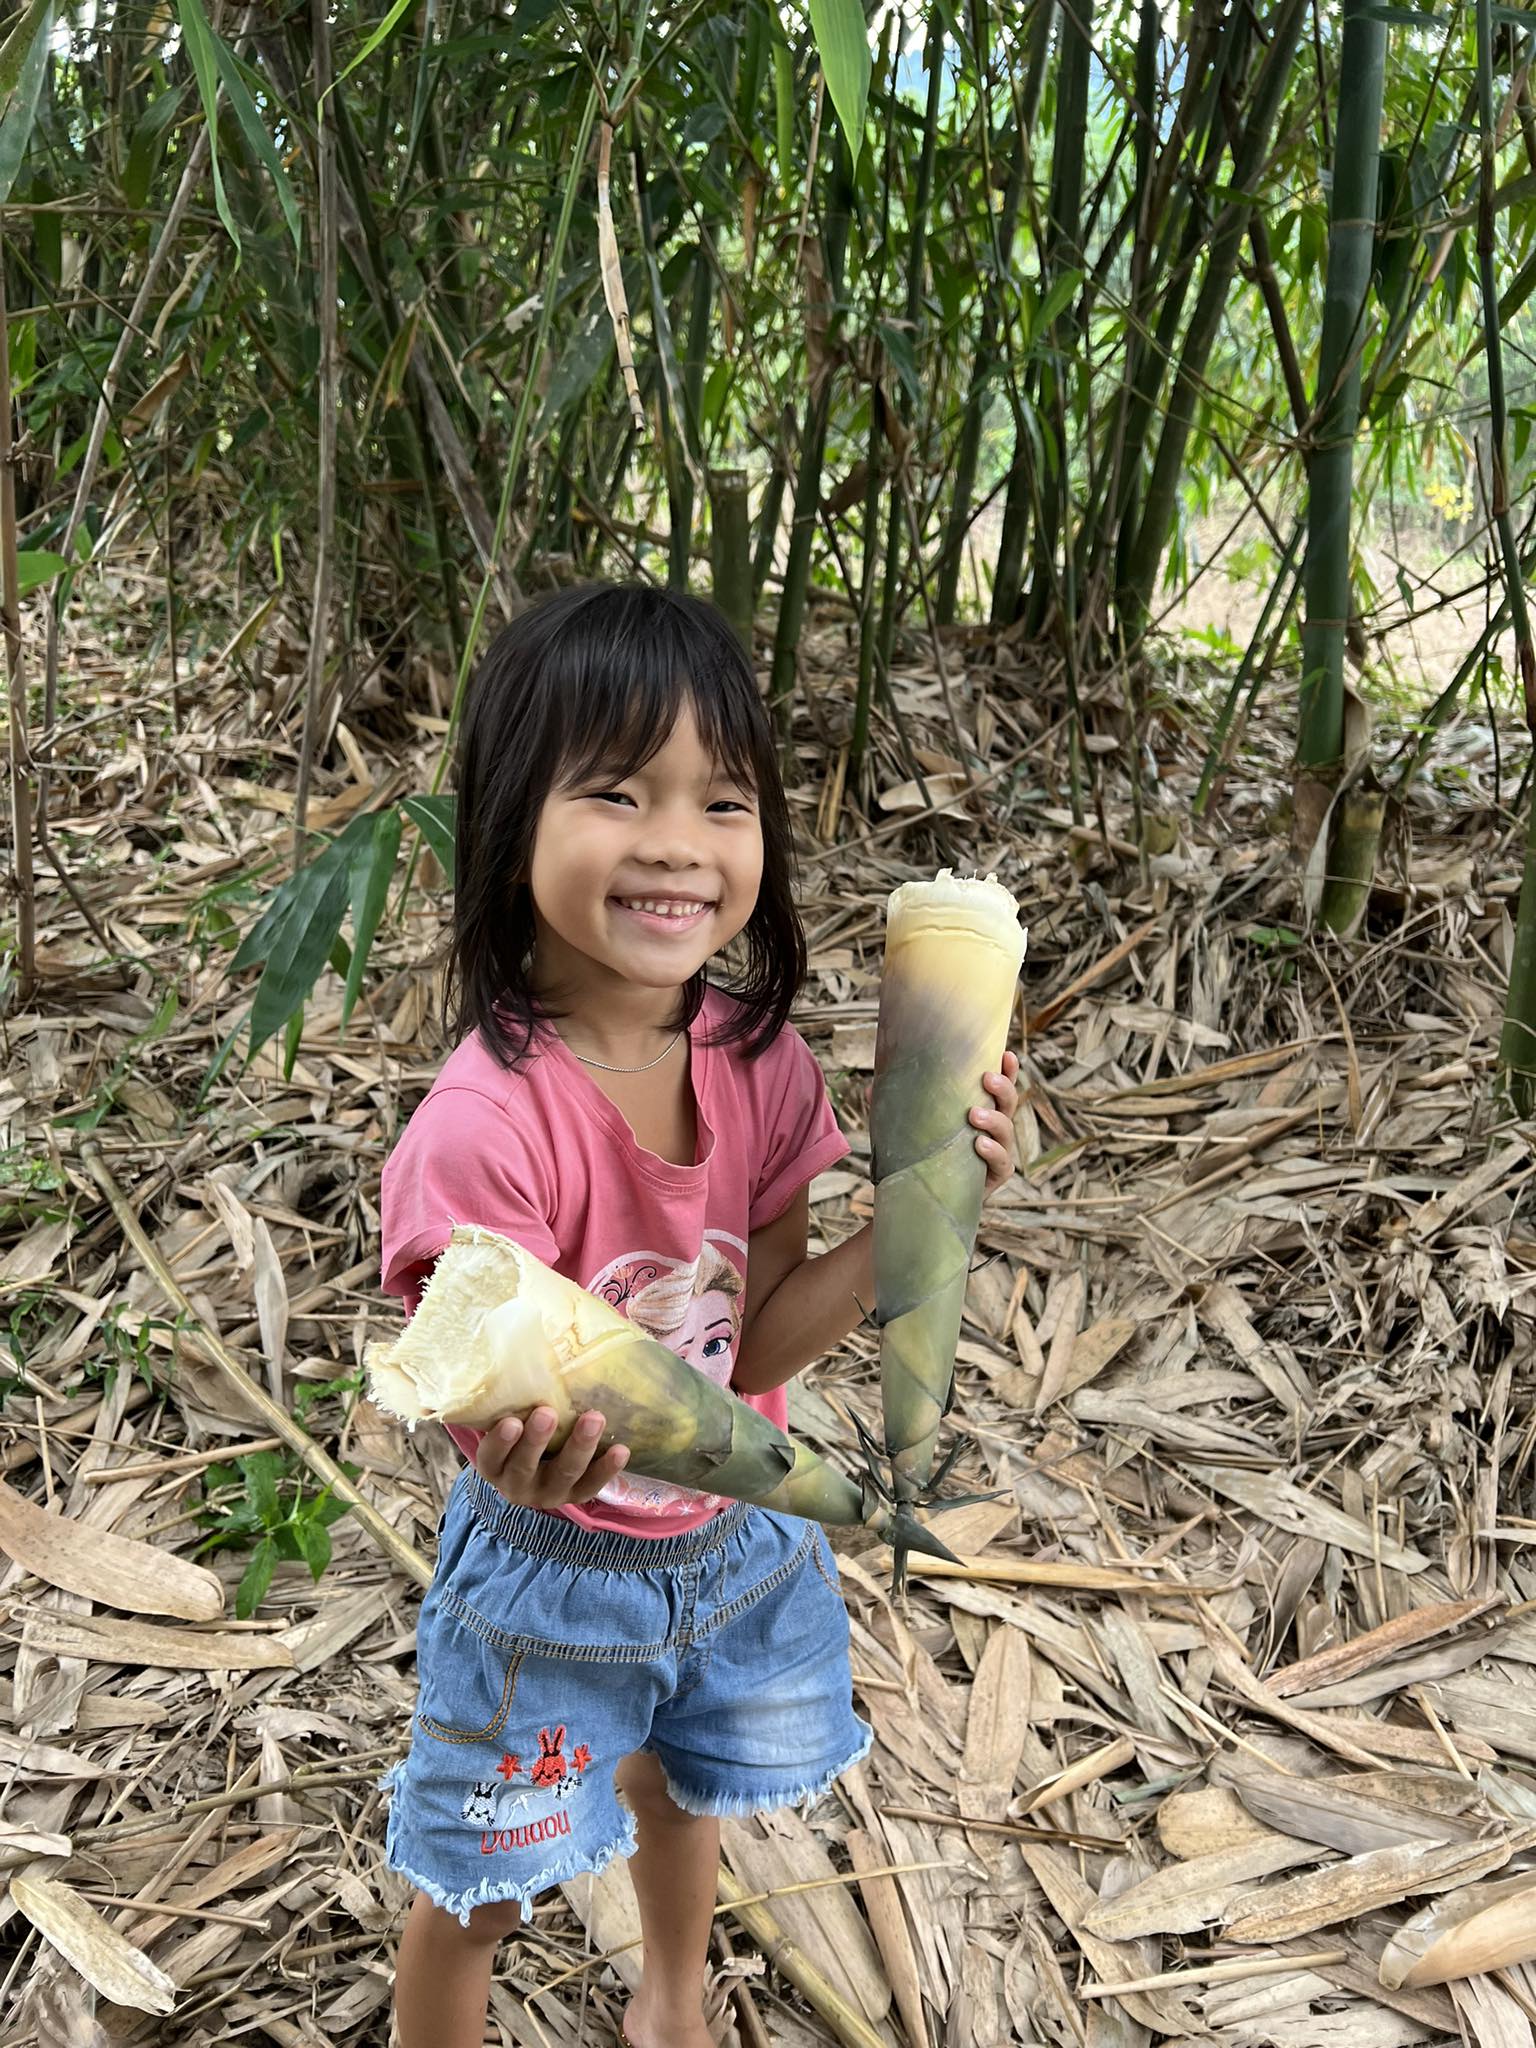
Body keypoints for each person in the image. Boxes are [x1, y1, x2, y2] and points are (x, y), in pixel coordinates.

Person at [375, 582, 1021, 2048]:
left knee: (682, 1790)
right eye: (616, 790)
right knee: (478, 1886)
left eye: (723, 800)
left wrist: (922, 1207)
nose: (676, 839)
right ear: (508, 822)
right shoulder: (489, 1129)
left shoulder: (758, 1062)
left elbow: (762, 1343)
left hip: (738, 1551)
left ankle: (673, 1998)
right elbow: (492, 1391)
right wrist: (515, 1454)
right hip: (553, 1586)